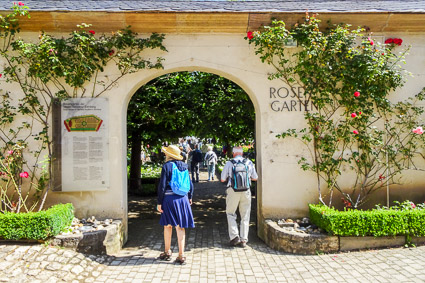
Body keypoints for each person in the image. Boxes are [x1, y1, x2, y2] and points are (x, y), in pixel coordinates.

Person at [157, 145, 194, 264]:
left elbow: (162, 186)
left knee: (168, 225)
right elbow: (190, 183)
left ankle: (167, 251)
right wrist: (190, 197)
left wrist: (159, 202)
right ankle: (181, 255)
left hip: (169, 199)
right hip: (183, 199)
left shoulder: (166, 166)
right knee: (180, 226)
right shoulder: (184, 165)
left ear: (168, 155)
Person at [220, 146, 258, 248]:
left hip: (233, 191)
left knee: (230, 213)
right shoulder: (249, 162)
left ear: (233, 153)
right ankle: (244, 240)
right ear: (242, 154)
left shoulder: (229, 163)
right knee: (245, 215)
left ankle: (234, 236)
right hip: (246, 191)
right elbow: (255, 178)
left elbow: (222, 179)